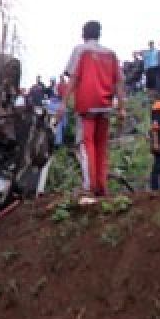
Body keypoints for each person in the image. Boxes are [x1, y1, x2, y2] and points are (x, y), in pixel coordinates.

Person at [65, 20, 126, 198]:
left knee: (86, 144)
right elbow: (119, 82)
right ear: (99, 34)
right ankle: (101, 186)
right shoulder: (111, 54)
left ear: (83, 34)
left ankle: (89, 187)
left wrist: (63, 104)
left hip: (86, 105)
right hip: (106, 105)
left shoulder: (81, 50)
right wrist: (122, 107)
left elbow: (73, 78)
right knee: (101, 146)